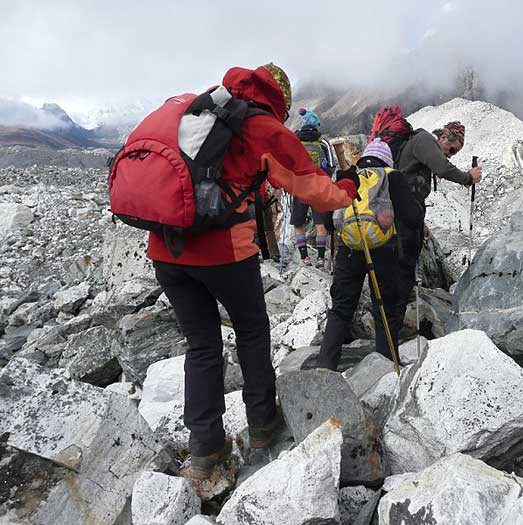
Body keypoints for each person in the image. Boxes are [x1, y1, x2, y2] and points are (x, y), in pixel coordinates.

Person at [147, 63, 359, 479]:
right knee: (251, 331)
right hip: (224, 252)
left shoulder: (199, 110)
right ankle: (262, 426)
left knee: (202, 346)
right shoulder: (260, 126)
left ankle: (205, 450)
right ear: (280, 100)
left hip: (166, 249)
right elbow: (318, 191)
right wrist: (349, 186)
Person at [317, 139, 423, 370]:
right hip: (384, 249)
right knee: (385, 308)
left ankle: (325, 366)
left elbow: (328, 220)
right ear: (386, 160)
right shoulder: (391, 175)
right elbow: (412, 217)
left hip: (349, 248)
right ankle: (386, 366)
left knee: (342, 308)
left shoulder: (348, 175)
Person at [389, 121, 482, 336]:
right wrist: (469, 178)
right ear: (444, 137)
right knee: (403, 272)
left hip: (406, 217)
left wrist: (420, 223)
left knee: (405, 272)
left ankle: (395, 325)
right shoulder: (424, 140)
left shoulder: (422, 145)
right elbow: (442, 168)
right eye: (452, 150)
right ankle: (392, 331)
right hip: (401, 220)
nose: (450, 155)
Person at [290, 109, 335, 268]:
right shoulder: (323, 142)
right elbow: (331, 165)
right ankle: (321, 259)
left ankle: (304, 258)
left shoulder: (295, 141)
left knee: (298, 223)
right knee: (320, 223)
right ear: (316, 125)